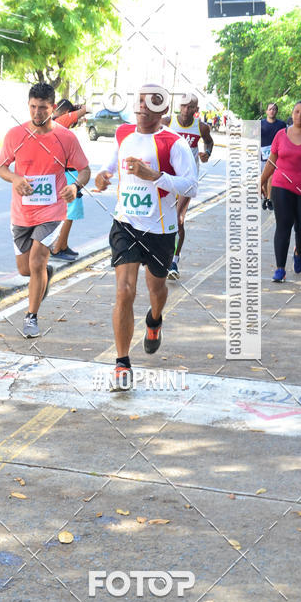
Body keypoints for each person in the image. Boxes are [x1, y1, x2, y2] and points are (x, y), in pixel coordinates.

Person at [95, 84, 198, 389]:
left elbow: (191, 186)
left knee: (157, 288)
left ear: (162, 110)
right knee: (124, 292)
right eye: (138, 100)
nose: (141, 107)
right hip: (125, 224)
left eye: (149, 103)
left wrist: (155, 176)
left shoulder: (173, 143)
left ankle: (154, 321)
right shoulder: (123, 133)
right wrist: (102, 176)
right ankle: (122, 363)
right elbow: (107, 168)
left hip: (160, 231)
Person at [0, 83, 90, 337]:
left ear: (53, 108)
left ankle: (31, 317)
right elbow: (2, 167)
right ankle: (44, 275)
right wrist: (15, 179)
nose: (37, 113)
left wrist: (75, 186)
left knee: (37, 259)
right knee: (25, 269)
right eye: (33, 107)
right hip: (21, 212)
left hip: (53, 211)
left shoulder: (66, 138)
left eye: (42, 108)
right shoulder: (15, 135)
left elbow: (84, 170)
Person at [260, 100, 301, 282]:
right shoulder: (281, 135)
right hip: (282, 187)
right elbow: (272, 160)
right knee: (283, 226)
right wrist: (262, 180)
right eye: (296, 111)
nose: (299, 115)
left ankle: (299, 251)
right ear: (292, 113)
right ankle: (280, 268)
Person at [162, 93, 213, 279]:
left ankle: (174, 261)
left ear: (196, 110)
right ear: (179, 106)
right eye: (183, 106)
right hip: (167, 177)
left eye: (190, 107)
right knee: (162, 218)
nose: (186, 110)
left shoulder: (201, 127)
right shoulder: (167, 122)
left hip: (187, 178)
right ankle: (161, 254)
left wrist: (206, 153)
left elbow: (209, 142)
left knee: (178, 219)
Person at [51, 99, 90, 261]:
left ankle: (63, 245)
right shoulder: (59, 121)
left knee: (70, 213)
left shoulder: (55, 123)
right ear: (66, 112)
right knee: (70, 213)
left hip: (67, 172)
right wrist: (79, 109)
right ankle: (57, 248)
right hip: (69, 175)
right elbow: (86, 109)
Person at [260, 103, 287, 210]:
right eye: (270, 109)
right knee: (264, 178)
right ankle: (266, 197)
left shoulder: (281, 124)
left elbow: (286, 137)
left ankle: (270, 199)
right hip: (263, 154)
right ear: (266, 111)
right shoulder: (260, 124)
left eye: (274, 109)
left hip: (276, 155)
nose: (272, 111)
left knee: (272, 176)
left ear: (276, 111)